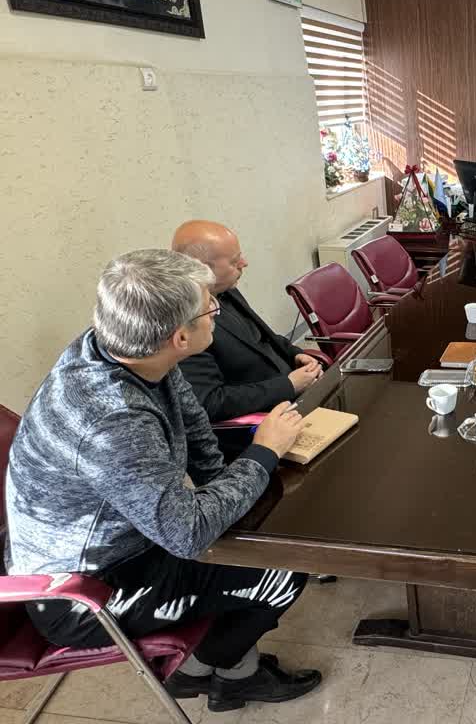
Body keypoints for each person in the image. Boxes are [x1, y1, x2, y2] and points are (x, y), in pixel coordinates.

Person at [5, 249, 321, 713]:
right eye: (211, 309)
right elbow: (186, 533)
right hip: (86, 592)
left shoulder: (120, 348)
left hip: (128, 543)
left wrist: (225, 483)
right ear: (180, 336)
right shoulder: (113, 420)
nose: (218, 311)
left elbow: (192, 423)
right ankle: (220, 672)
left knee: (255, 538)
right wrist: (263, 452)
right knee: (282, 570)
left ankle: (220, 662)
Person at [172, 220, 323, 422]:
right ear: (202, 268)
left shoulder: (226, 290)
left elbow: (264, 338)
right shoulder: (187, 323)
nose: (244, 263)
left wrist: (295, 354)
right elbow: (211, 402)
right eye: (234, 261)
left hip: (297, 392)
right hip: (270, 418)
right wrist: (289, 385)